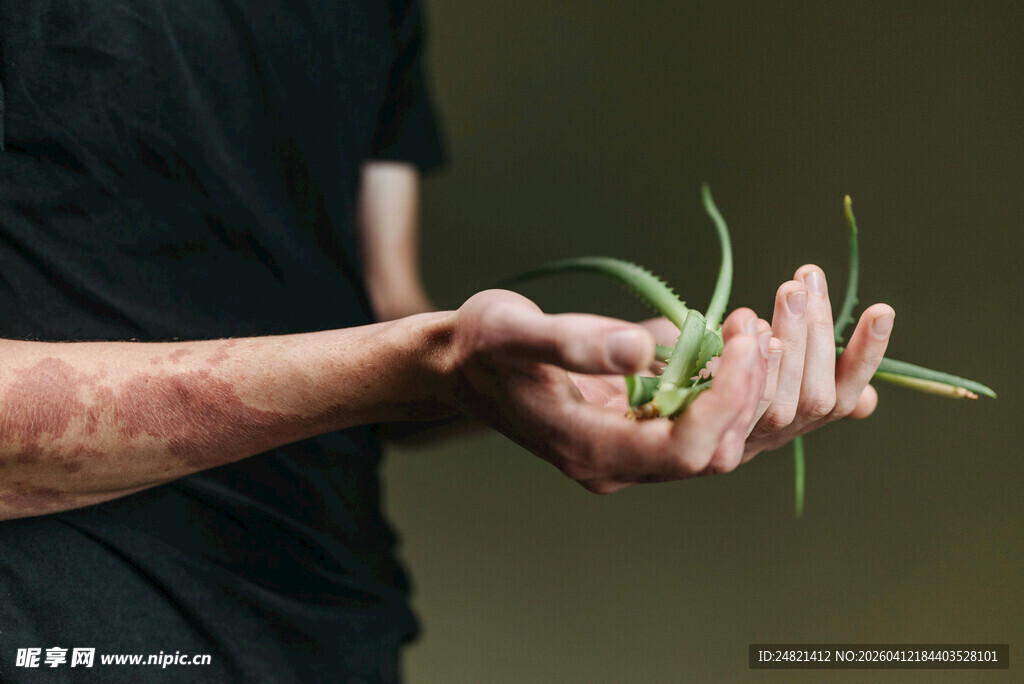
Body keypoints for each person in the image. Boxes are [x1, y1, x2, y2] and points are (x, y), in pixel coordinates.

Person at [0, 1, 895, 681]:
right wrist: (421, 359)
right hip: (68, 628)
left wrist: (512, 371)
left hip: (333, 625)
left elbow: (384, 311)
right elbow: (395, 354)